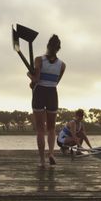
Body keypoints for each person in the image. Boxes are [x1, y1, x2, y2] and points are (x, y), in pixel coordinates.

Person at [28, 34, 66, 168]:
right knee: (51, 128)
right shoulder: (62, 65)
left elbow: (36, 79)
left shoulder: (39, 60)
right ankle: (51, 153)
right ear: (58, 48)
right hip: (52, 93)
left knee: (40, 129)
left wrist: (29, 76)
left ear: (48, 46)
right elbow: (56, 82)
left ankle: (42, 161)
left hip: (40, 93)